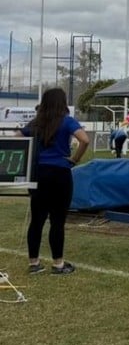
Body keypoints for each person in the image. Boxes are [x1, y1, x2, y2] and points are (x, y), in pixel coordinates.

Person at [16, 88, 89, 275]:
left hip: (38, 174)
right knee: (57, 221)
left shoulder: (35, 123)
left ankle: (34, 263)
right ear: (62, 102)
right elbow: (85, 140)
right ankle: (58, 264)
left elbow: (17, 140)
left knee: (37, 220)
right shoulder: (67, 121)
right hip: (60, 174)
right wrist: (74, 159)